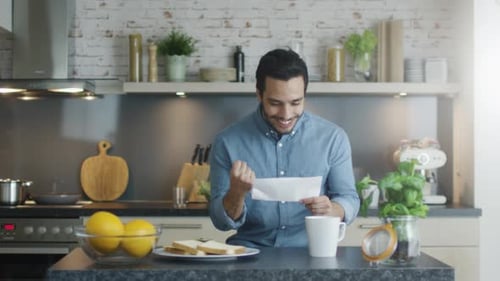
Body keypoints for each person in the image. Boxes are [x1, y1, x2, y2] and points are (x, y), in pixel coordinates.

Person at [208, 48, 359, 248]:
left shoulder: (333, 138)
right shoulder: (227, 142)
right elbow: (220, 222)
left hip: (312, 251)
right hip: (250, 254)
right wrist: (236, 193)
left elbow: (349, 198)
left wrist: (333, 209)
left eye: (296, 103)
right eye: (275, 103)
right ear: (259, 94)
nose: (286, 114)